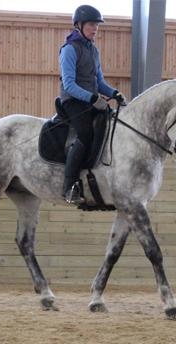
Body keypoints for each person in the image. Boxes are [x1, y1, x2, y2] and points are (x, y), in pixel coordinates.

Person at [59, 4, 126, 204]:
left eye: (97, 25)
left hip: (91, 100)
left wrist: (114, 93)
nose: (95, 28)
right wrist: (92, 98)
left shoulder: (94, 51)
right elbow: (69, 84)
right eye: (91, 24)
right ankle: (69, 186)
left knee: (110, 126)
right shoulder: (69, 49)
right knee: (86, 134)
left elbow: (99, 83)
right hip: (72, 101)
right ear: (78, 25)